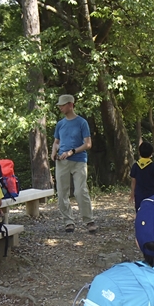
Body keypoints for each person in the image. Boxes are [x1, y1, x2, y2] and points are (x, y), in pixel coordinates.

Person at [51, 94, 96, 233]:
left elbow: (88, 144)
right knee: (62, 193)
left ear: (70, 105)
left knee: (80, 191)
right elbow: (56, 142)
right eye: (59, 105)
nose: (60, 107)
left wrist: (72, 151)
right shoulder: (60, 124)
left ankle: (89, 220)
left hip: (79, 161)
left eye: (62, 105)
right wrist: (53, 152)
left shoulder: (82, 122)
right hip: (62, 162)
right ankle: (68, 221)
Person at [130, 141, 154, 211]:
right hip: (151, 193)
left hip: (139, 194)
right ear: (151, 154)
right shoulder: (153, 166)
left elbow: (133, 181)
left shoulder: (135, 166)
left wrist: (132, 193)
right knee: (151, 210)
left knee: (140, 210)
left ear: (139, 152)